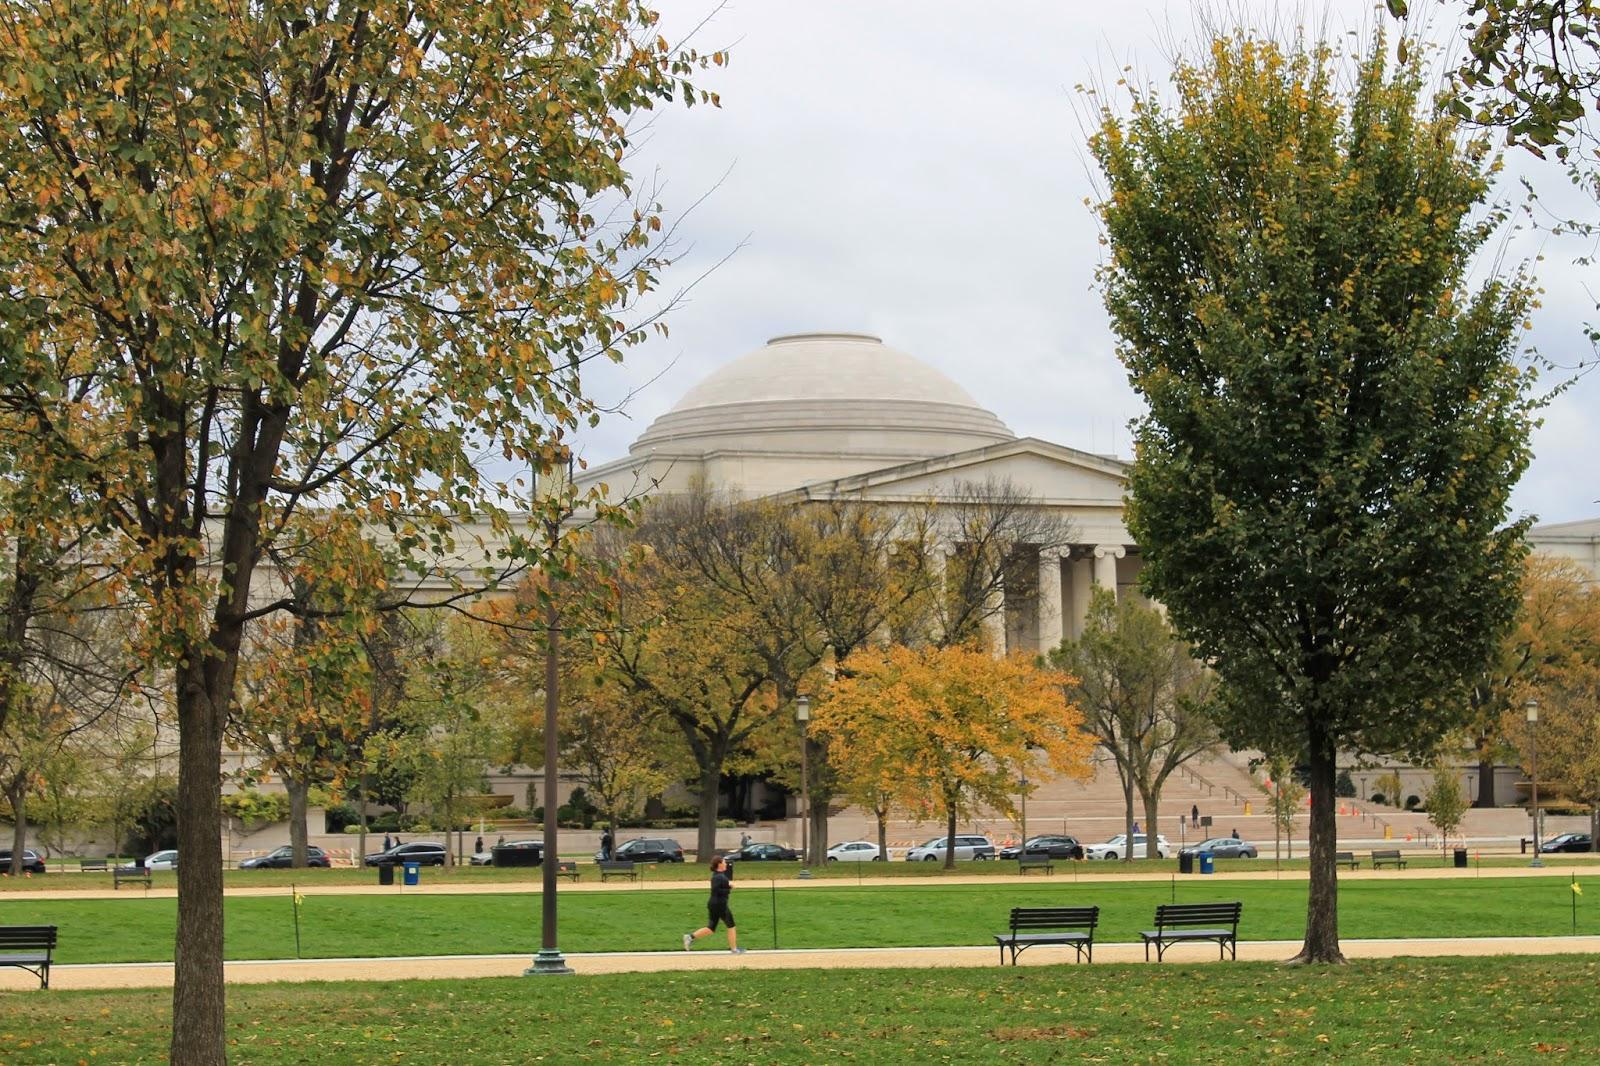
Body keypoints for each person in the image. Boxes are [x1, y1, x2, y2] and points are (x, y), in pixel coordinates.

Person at [683, 854, 744, 954]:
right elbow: (716, 890)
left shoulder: (718, 875)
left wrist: (727, 886)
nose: (725, 864)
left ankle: (689, 937)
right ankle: (734, 949)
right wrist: (729, 887)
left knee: (711, 928)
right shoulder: (718, 877)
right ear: (719, 864)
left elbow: (719, 888)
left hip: (715, 904)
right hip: (720, 905)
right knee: (731, 925)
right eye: (724, 862)